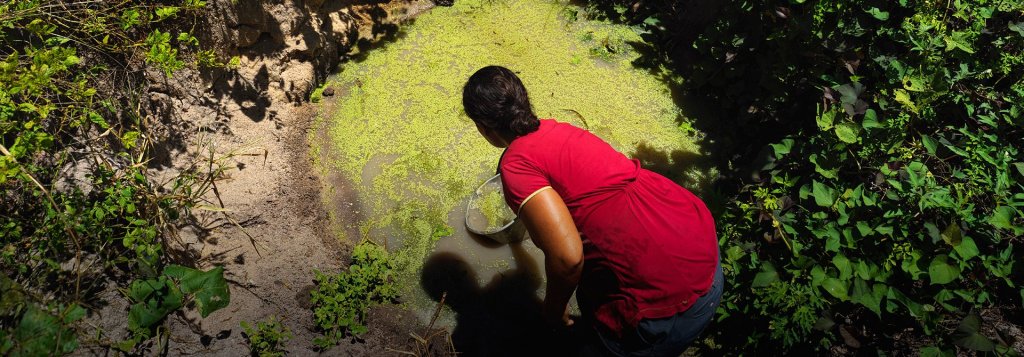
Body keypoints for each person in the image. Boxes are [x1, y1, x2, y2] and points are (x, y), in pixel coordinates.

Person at [461, 65, 723, 356]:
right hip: (701, 249)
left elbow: (568, 259)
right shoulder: (559, 130)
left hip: (666, 305)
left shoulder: (516, 167)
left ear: (483, 128)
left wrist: (552, 311)